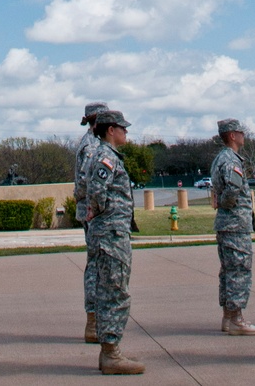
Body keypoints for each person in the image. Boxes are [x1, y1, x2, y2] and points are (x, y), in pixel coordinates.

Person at [86, 110, 144, 375]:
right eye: (122, 128)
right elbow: (97, 190)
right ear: (111, 130)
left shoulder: (105, 155)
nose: (125, 132)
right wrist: (99, 212)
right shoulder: (106, 157)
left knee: (110, 289)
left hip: (111, 233)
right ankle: (111, 353)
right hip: (111, 234)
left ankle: (110, 351)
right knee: (115, 291)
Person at [210, 119, 255, 337]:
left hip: (227, 224)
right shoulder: (231, 160)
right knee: (238, 270)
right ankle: (236, 318)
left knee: (229, 271)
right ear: (232, 135)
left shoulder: (220, 158)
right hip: (234, 224)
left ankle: (228, 317)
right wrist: (226, 203)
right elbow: (232, 188)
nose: (244, 135)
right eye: (241, 132)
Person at [75, 101, 108, 343]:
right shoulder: (91, 147)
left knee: (100, 265)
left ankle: (99, 320)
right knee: (96, 267)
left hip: (95, 213)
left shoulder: (98, 144)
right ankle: (93, 322)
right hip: (94, 214)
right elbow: (90, 184)